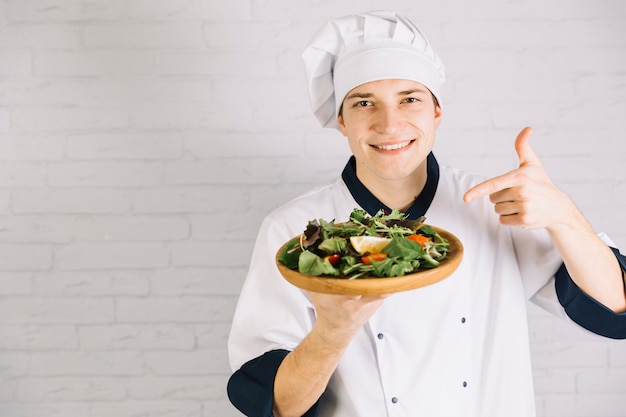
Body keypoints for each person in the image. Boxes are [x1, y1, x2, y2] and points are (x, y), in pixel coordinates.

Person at [227, 10, 626, 417]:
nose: (389, 124)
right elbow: (275, 405)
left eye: (410, 99)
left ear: (436, 111)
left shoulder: (497, 205)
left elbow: (617, 312)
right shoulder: (293, 230)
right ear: (342, 120)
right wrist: (332, 332)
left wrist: (563, 216)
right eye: (365, 103)